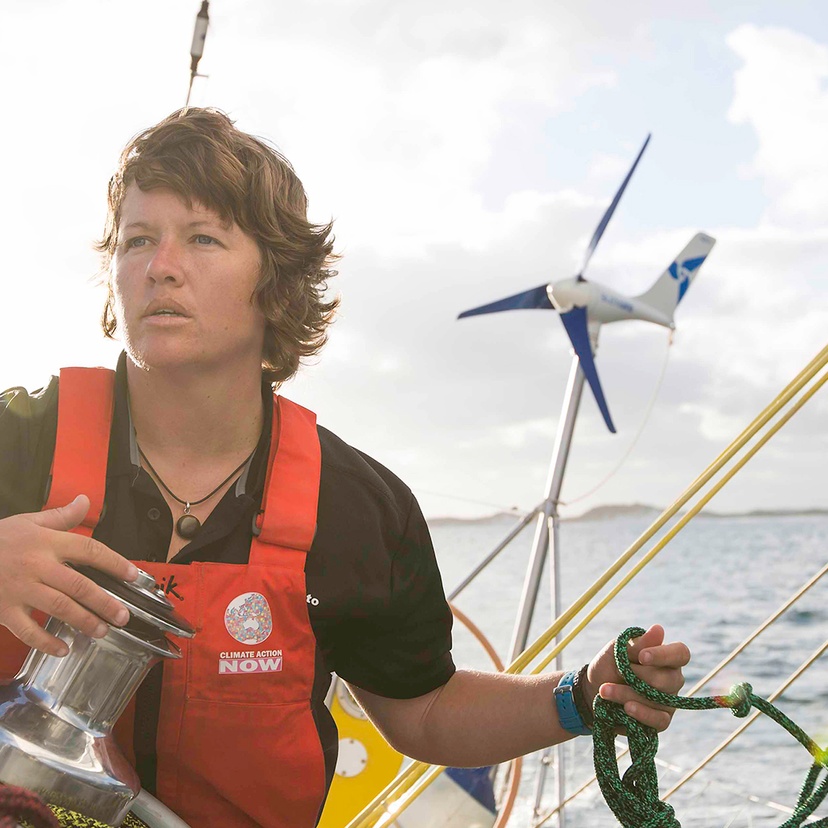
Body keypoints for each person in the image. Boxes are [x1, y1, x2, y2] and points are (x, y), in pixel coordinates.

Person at [0, 108, 690, 828]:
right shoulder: (18, 440)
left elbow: (425, 711)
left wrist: (580, 697)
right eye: (138, 239)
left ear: (276, 281)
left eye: (202, 238)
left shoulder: (356, 506)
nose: (159, 266)